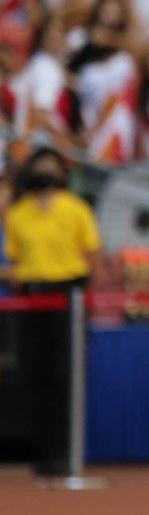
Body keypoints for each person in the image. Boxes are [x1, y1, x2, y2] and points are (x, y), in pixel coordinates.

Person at [3, 149, 102, 478]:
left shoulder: (76, 210)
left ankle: (66, 451)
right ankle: (43, 452)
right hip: (31, 297)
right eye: (39, 167)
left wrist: (83, 290)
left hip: (67, 297)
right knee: (33, 373)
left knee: (66, 374)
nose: (44, 173)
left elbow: (92, 256)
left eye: (51, 167)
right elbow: (14, 262)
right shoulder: (19, 214)